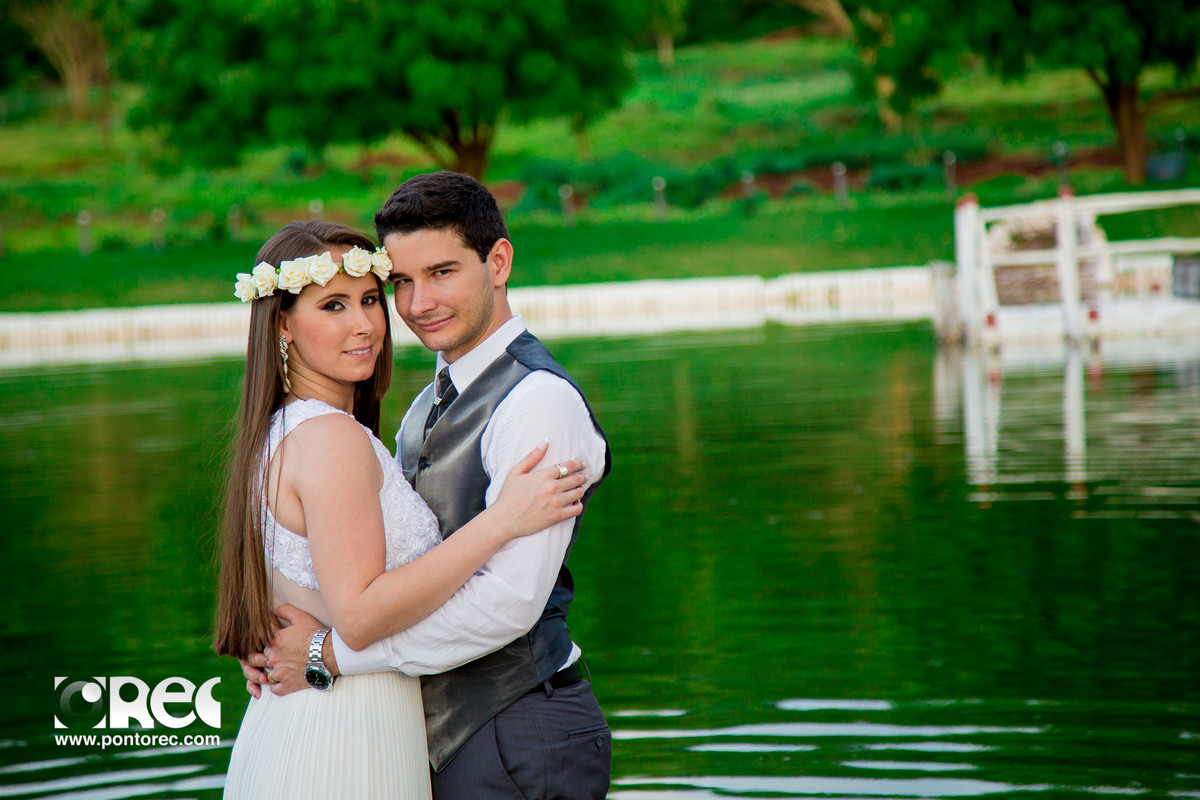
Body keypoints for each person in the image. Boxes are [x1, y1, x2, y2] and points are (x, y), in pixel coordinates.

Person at [245, 172, 614, 799]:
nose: (416, 305)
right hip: (421, 737)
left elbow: (509, 605)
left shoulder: (538, 403)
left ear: (497, 262)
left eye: (441, 273)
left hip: (517, 728)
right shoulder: (416, 412)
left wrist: (328, 655)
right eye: (402, 283)